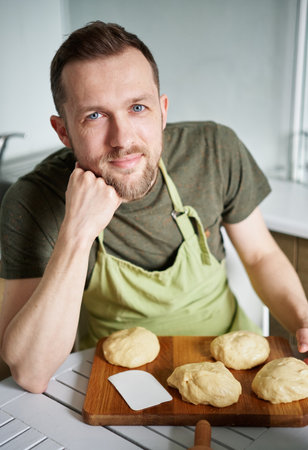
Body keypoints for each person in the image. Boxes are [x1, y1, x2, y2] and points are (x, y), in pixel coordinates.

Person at [0, 21, 307, 394]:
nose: (123, 138)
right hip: (119, 387)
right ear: (63, 131)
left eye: (138, 107)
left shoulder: (214, 149)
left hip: (232, 373)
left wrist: (302, 319)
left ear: (162, 111)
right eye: (94, 115)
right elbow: (31, 373)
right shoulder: (33, 199)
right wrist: (76, 234)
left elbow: (259, 255)